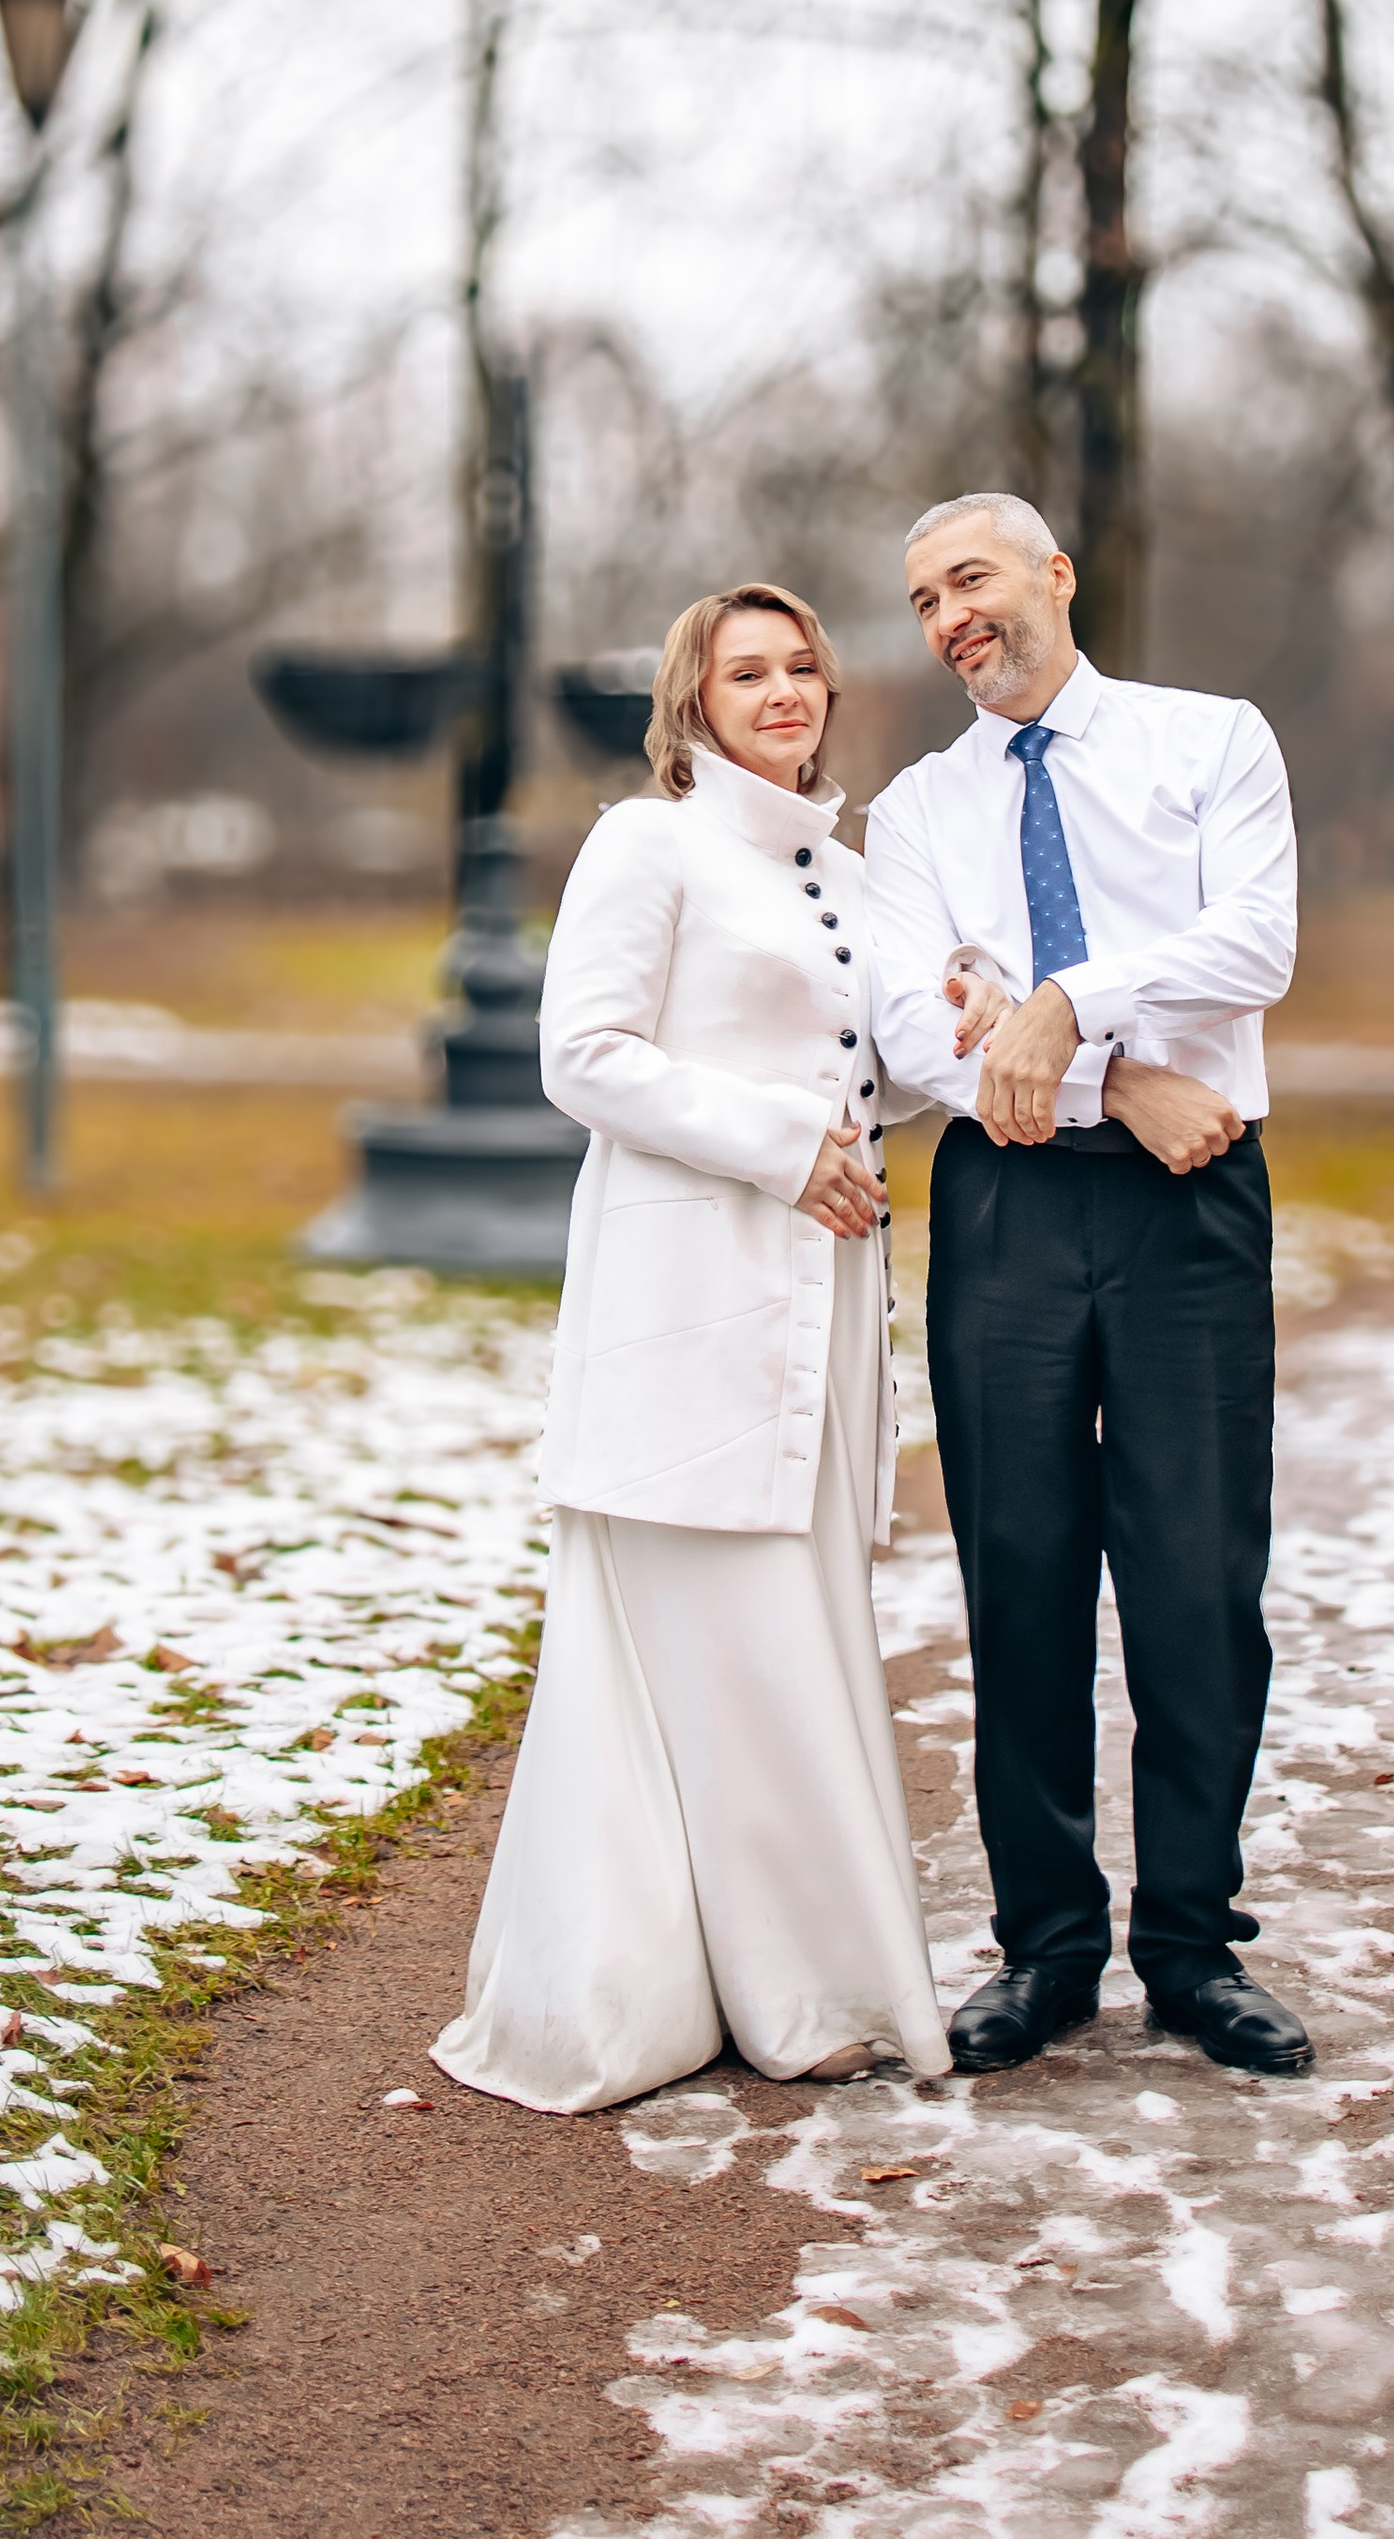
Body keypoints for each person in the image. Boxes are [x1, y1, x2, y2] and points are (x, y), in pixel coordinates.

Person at [434, 580, 952, 2114]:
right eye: (747, 672)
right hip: (686, 1294)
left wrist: (962, 1030)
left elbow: (871, 1078)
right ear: (694, 703)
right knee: (719, 1640)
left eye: (803, 667)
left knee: (800, 1627)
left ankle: (788, 1981)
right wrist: (786, 1146)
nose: (784, 691)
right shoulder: (645, 844)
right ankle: (752, 1994)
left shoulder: (849, 876)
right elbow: (583, 1055)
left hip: (825, 1296)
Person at [862, 492, 1313, 2080]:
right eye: (923, 601)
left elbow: (1255, 945)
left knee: (1199, 1582)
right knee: (1023, 1576)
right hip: (1011, 1205)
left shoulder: (1211, 740)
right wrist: (1116, 1078)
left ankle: (1193, 1946)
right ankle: (1045, 1946)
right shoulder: (918, 811)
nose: (948, 619)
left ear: (1056, 574)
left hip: (1195, 1200)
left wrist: (1064, 1002)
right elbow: (914, 1036)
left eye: (968, 579)